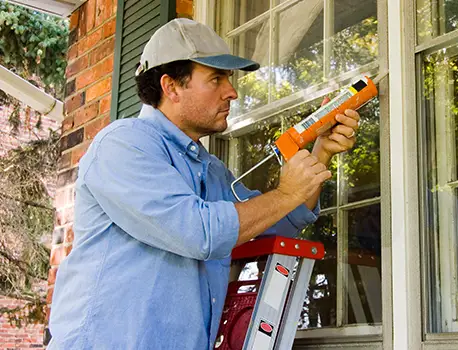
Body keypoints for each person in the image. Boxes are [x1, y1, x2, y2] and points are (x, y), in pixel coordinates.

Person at [47, 18, 361, 349]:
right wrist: (285, 193)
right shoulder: (123, 145)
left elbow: (280, 221)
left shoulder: (212, 171)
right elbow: (199, 232)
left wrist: (320, 152)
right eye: (216, 78)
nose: (232, 91)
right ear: (171, 87)